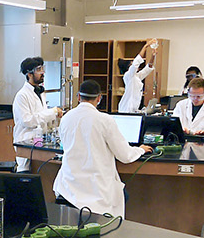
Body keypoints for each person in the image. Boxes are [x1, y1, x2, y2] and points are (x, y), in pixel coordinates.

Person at [54, 80, 152, 217]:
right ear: (99, 98)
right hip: (96, 188)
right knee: (123, 195)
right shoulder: (104, 120)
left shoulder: (66, 118)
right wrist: (140, 149)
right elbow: (125, 155)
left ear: (78, 97)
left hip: (69, 185)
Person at [12, 56, 63, 172]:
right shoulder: (22, 96)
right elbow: (28, 121)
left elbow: (41, 115)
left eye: (42, 68)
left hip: (39, 138)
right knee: (28, 174)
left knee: (45, 170)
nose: (43, 72)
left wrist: (55, 119)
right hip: (26, 140)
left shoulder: (40, 92)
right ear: (29, 74)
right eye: (39, 69)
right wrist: (53, 112)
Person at [117, 39, 158, 113]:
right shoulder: (128, 76)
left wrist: (153, 56)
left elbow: (148, 68)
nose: (136, 66)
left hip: (133, 108)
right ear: (128, 68)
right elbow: (136, 63)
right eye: (131, 64)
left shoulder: (136, 77)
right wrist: (146, 46)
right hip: (126, 109)